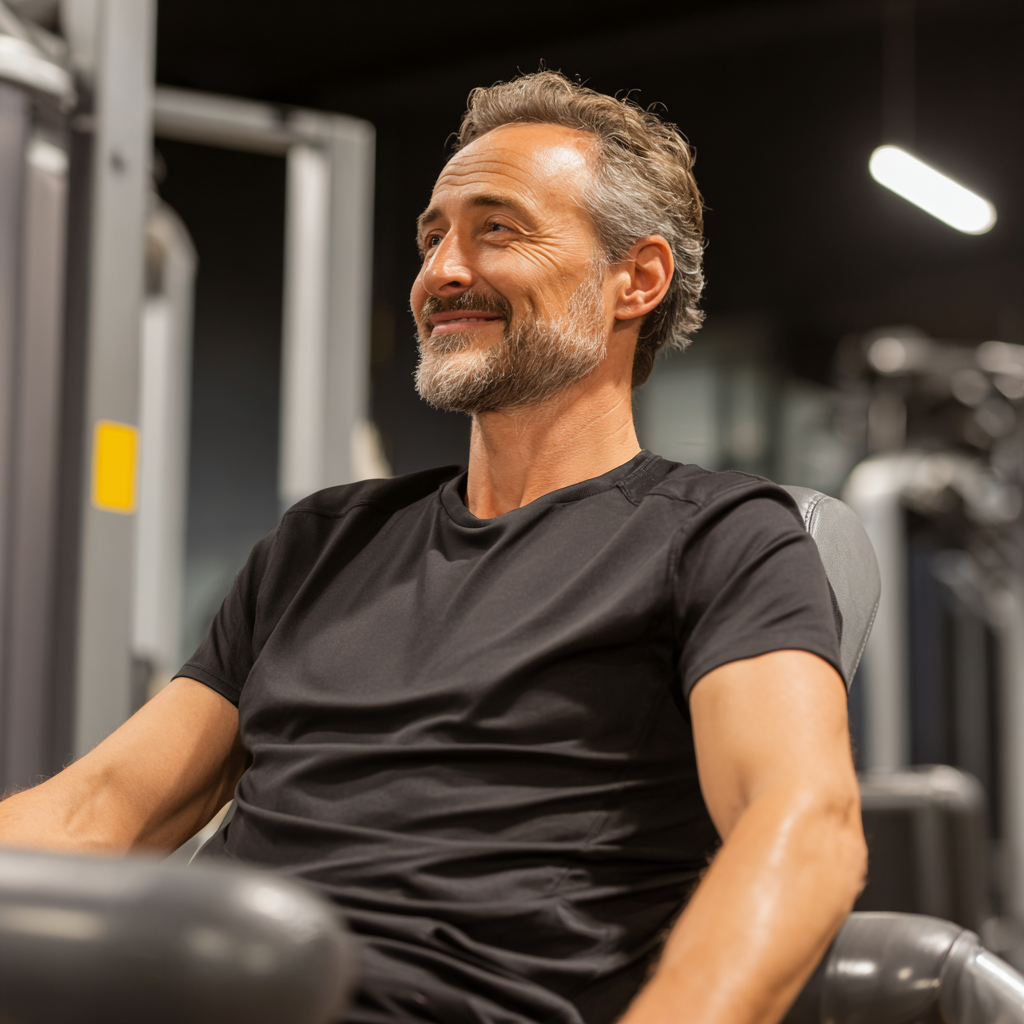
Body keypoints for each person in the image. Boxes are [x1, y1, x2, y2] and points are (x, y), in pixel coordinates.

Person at [0, 71, 866, 1024]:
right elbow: (97, 813)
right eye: (432, 235)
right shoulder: (323, 543)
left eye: (497, 229)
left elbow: (803, 825)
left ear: (639, 278)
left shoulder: (721, 536)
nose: (443, 271)